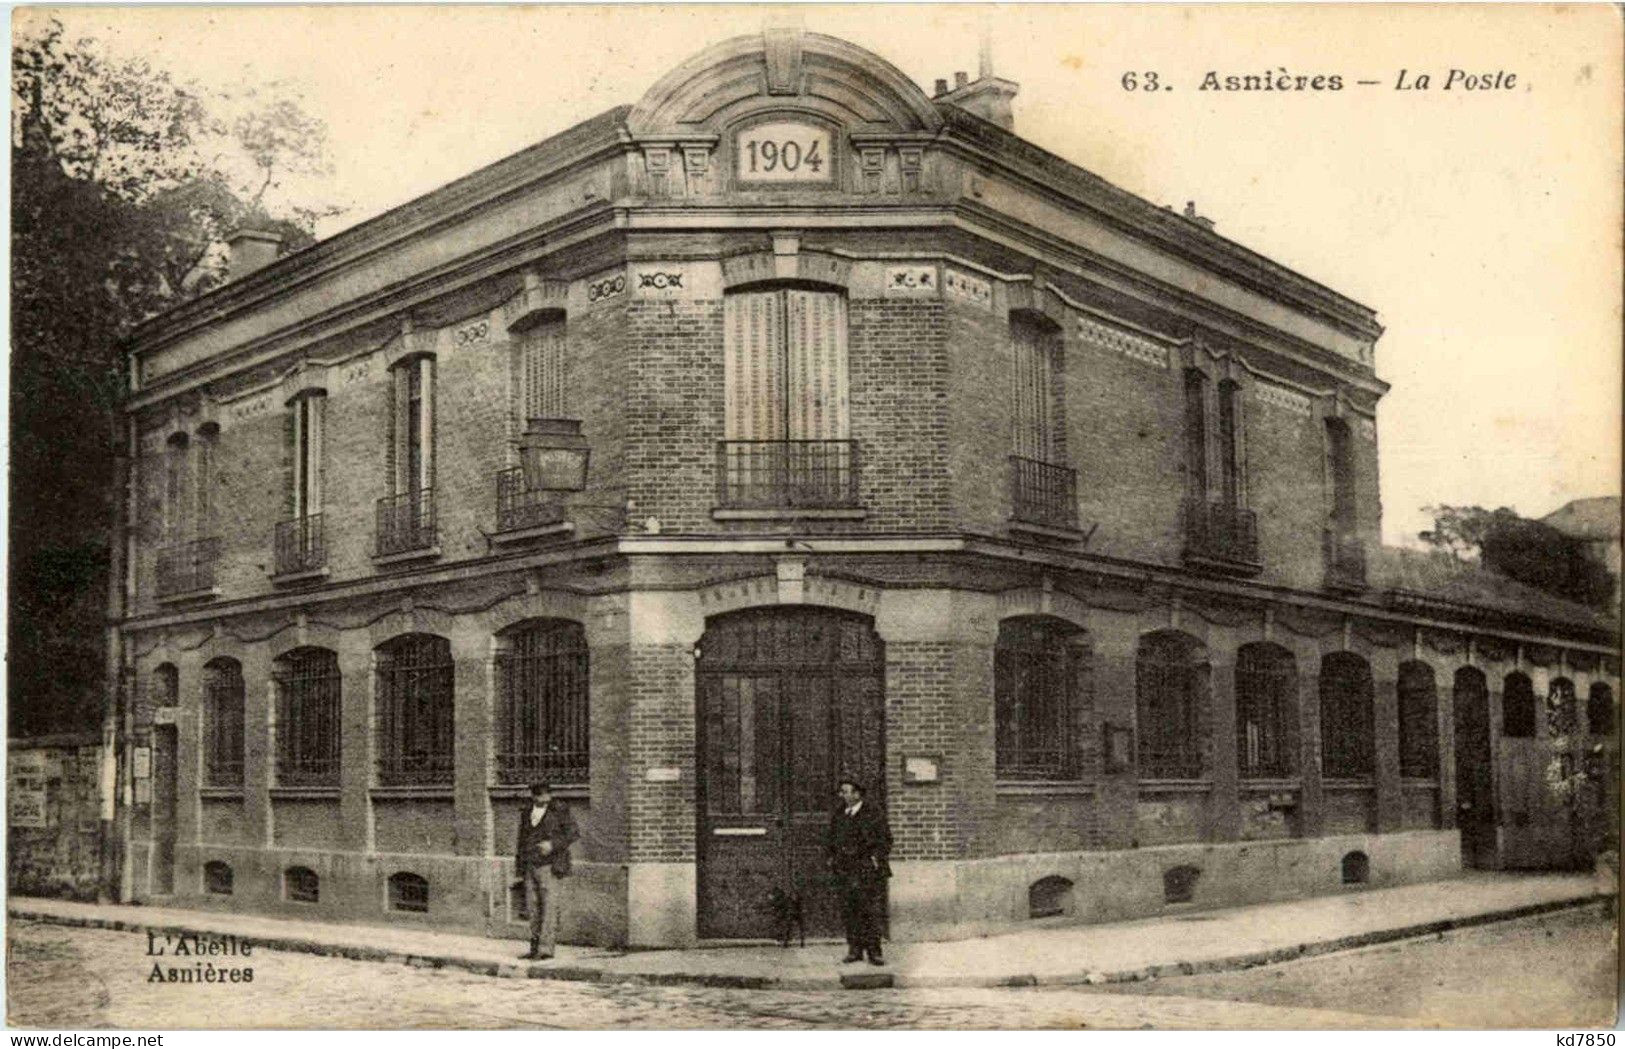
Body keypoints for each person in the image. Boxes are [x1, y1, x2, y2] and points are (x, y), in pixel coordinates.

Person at [827, 777, 891, 965]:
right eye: (842, 792)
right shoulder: (840, 814)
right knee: (850, 910)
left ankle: (874, 951)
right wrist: (832, 858)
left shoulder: (873, 813)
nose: (843, 795)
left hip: (866, 870)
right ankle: (855, 949)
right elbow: (831, 839)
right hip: (845, 870)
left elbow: (885, 839)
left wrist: (875, 858)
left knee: (869, 911)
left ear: (857, 794)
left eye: (847, 791)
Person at [515, 780, 577, 960]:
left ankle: (546, 949)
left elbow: (573, 833)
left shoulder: (560, 811)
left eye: (545, 794)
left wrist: (552, 845)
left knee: (549, 907)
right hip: (530, 865)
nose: (542, 798)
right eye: (537, 794)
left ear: (549, 795)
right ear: (533, 795)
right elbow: (521, 840)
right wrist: (520, 868)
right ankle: (534, 948)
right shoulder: (527, 813)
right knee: (533, 907)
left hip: (550, 865)